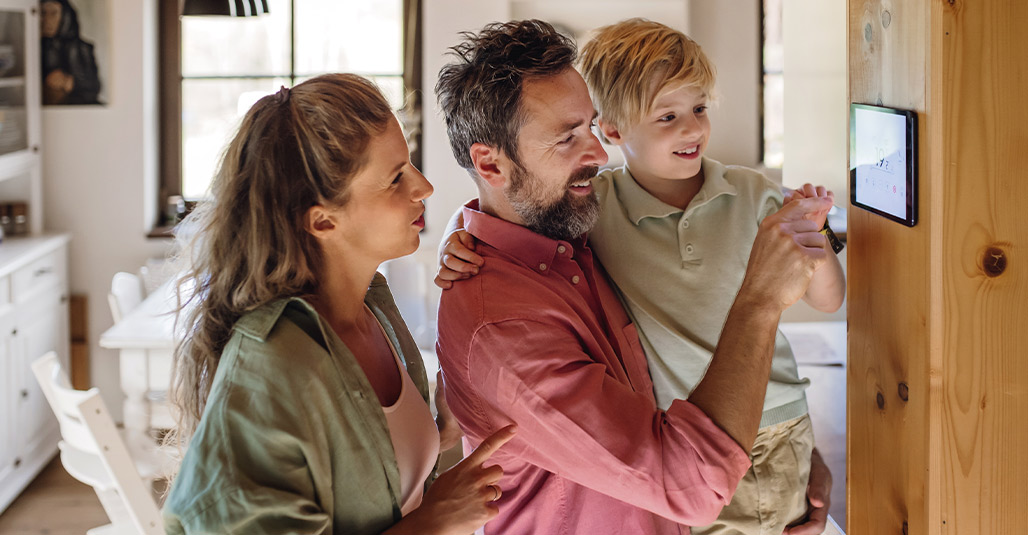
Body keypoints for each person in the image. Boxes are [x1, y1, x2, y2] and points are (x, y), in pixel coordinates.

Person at [432, 20, 834, 535]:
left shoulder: (567, 229)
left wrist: (786, 442)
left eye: (590, 127)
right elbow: (689, 484)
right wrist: (759, 300)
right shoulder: (506, 327)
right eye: (567, 137)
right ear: (490, 163)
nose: (599, 155)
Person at [162, 73, 514, 535]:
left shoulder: (373, 311)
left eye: (409, 165)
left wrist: (440, 431)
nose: (424, 187)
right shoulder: (270, 367)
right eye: (395, 179)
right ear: (323, 222)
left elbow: (372, 477)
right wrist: (435, 521)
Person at [40, 0, 102, 105]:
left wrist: (69, 81)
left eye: (53, 13)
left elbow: (94, 86)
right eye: (43, 13)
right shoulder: (36, 46)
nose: (47, 20)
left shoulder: (82, 47)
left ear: (65, 16)